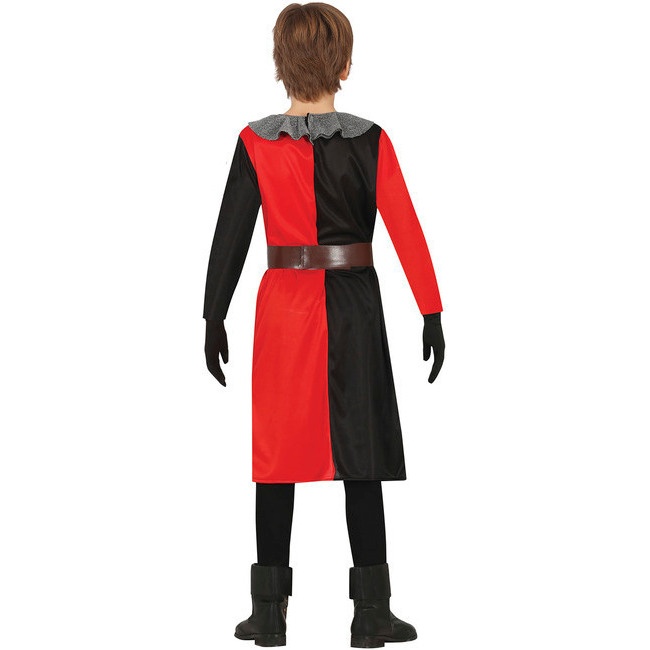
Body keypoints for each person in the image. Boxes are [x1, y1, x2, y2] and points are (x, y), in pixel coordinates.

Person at [203, 3, 445, 647]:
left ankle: (268, 613)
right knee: (361, 453)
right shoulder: (370, 139)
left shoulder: (256, 142)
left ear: (280, 63)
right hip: (355, 305)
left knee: (275, 457)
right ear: (345, 62)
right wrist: (430, 308)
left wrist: (213, 313)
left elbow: (231, 235)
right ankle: (371, 613)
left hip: (283, 307)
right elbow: (405, 226)